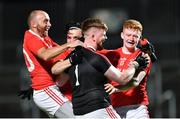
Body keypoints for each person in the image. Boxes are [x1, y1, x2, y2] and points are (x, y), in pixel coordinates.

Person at [51, 18, 149, 118]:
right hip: (99, 108)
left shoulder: (74, 57)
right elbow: (123, 79)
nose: (105, 38)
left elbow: (58, 79)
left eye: (135, 36)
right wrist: (135, 64)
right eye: (103, 35)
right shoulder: (99, 57)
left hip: (80, 112)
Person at [22, 10, 84, 118]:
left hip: (49, 89)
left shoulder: (43, 37)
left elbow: (62, 53)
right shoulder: (32, 38)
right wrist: (70, 45)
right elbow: (46, 55)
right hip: (46, 90)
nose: (49, 24)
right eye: (45, 21)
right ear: (34, 24)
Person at [101, 19, 153, 119]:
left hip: (137, 109)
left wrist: (116, 89)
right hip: (114, 109)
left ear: (139, 38)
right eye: (128, 35)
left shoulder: (144, 57)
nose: (131, 39)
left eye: (135, 36)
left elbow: (135, 81)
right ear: (122, 35)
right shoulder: (111, 55)